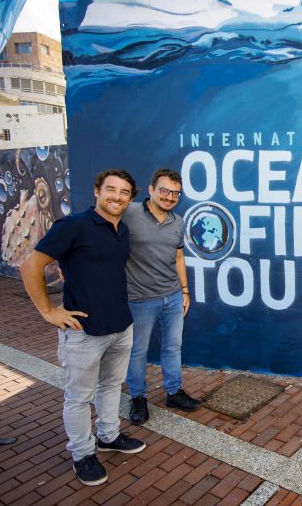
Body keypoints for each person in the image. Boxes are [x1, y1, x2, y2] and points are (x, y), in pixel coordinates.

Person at [20, 170, 146, 487]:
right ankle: (82, 454)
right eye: (111, 190)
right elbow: (31, 265)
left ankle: (108, 436)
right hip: (84, 332)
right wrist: (48, 310)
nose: (117, 197)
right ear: (96, 191)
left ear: (131, 198)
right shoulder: (73, 226)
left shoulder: (122, 231)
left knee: (111, 387)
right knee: (78, 397)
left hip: (120, 326)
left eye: (124, 192)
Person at [124, 169, 200, 425]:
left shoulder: (177, 221)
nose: (169, 197)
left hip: (173, 297)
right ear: (151, 189)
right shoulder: (128, 213)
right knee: (137, 352)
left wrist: (185, 291)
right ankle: (137, 398)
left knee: (172, 347)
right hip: (139, 299)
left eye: (175, 193)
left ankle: (174, 392)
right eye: (165, 191)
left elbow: (179, 257)